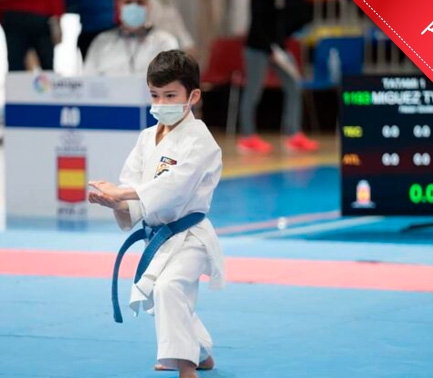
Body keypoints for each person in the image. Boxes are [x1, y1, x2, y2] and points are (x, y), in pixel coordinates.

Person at [88, 50, 224, 378]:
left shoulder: (200, 141)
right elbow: (132, 184)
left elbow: (175, 186)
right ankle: (201, 351)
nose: (161, 103)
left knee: (169, 289)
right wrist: (116, 202)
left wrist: (124, 193)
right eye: (154, 95)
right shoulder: (147, 138)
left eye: (170, 95)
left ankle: (186, 368)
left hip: (190, 236)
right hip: (159, 236)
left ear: (192, 96)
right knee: (159, 298)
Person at [238, 0, 319, 154]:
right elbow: (259, 25)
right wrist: (271, 50)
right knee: (253, 91)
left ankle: (293, 134)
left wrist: (279, 47)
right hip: (257, 48)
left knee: (294, 84)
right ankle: (247, 137)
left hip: (278, 47)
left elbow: (284, 23)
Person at [83, 0, 179, 76]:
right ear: (117, 6)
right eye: (128, 2)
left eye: (140, 2)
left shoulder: (165, 42)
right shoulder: (101, 42)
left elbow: (171, 82)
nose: (134, 7)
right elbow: (88, 82)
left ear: (149, 6)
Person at [0, 0, 65, 71]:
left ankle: (16, 84)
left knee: (15, 65)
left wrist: (1, 15)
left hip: (14, 15)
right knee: (47, 65)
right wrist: (57, 15)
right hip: (40, 16)